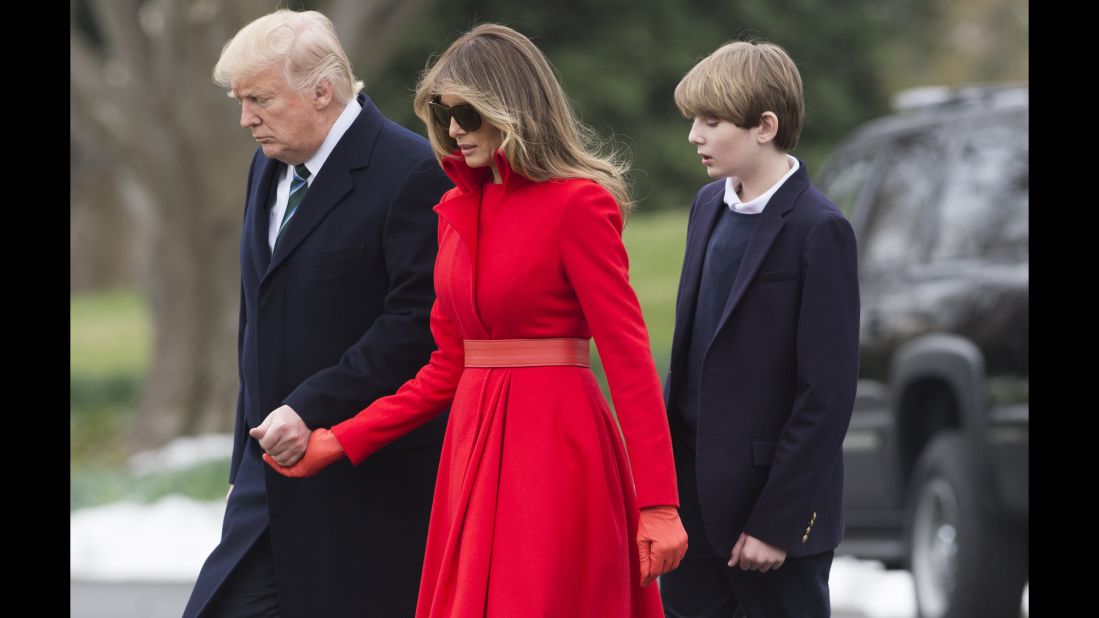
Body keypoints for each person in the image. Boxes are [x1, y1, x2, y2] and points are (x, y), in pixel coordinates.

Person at [267, 23, 688, 618]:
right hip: (471, 450)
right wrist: (340, 439)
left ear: (512, 109)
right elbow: (444, 367)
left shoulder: (579, 204)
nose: (454, 130)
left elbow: (628, 359)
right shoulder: (456, 211)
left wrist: (659, 504)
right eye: (441, 116)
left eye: (467, 113)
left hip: (557, 450)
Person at [183, 10, 452, 618]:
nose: (246, 118)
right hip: (266, 473)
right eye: (239, 100)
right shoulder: (268, 164)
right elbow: (259, 316)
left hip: (365, 475)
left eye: (259, 99)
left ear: (322, 90)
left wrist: (310, 407)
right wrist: (241, 462)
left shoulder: (412, 171)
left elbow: (414, 325)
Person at [658, 40, 860, 617]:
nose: (694, 135)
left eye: (711, 120)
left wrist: (778, 525)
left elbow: (826, 394)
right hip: (692, 512)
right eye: (693, 120)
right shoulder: (706, 206)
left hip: (771, 522)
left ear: (765, 126)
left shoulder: (821, 229)